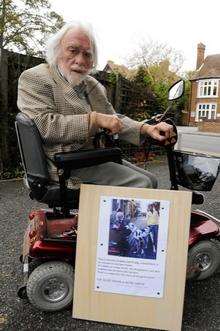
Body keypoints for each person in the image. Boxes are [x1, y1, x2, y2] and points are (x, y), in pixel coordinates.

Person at [17, 21, 174, 189]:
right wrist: (95, 120)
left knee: (152, 179)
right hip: (62, 165)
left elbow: (113, 118)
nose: (80, 60)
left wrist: (146, 129)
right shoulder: (36, 78)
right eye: (73, 50)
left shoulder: (91, 84)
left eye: (87, 54)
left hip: (91, 158)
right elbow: (46, 126)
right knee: (143, 184)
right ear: (57, 51)